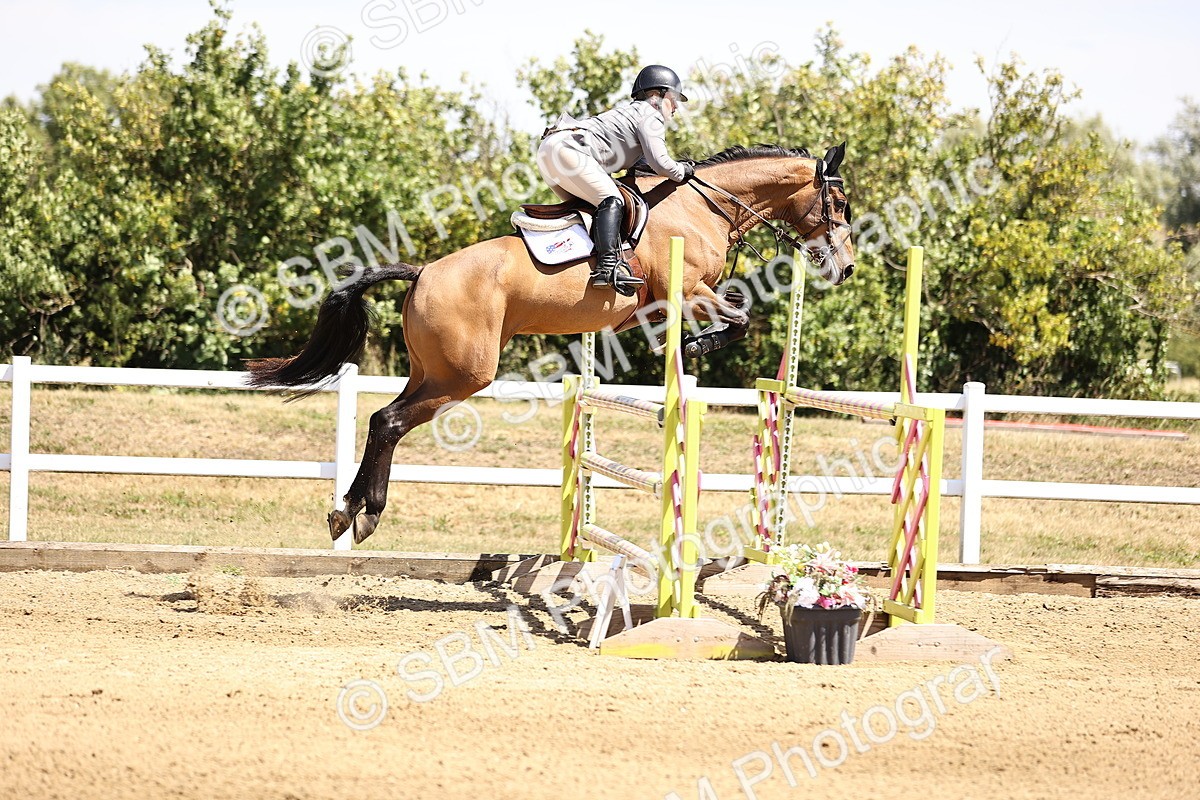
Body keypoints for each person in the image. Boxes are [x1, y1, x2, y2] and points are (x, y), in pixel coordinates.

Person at [536, 65, 695, 296]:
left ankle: (575, 263)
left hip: (550, 152)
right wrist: (683, 171)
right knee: (612, 200)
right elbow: (660, 163)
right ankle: (607, 268)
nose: (676, 107)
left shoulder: (631, 116)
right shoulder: (650, 115)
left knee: (591, 210)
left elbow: (643, 167)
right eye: (674, 98)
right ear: (657, 95)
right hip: (569, 150)